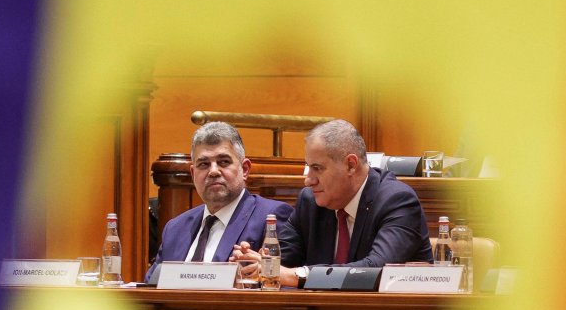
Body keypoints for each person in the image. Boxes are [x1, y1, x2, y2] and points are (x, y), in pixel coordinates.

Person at [233, 119, 432, 287]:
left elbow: (376, 269)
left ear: (350, 165)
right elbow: (282, 259)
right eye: (308, 168)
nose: (308, 180)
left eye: (317, 168)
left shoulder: (397, 201)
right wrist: (255, 262)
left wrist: (295, 275)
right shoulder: (310, 201)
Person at [145, 122, 294, 283]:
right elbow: (151, 285)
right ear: (193, 173)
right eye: (204, 164)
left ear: (244, 169)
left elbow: (284, 287)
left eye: (223, 162)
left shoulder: (271, 216)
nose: (213, 171)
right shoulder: (175, 228)